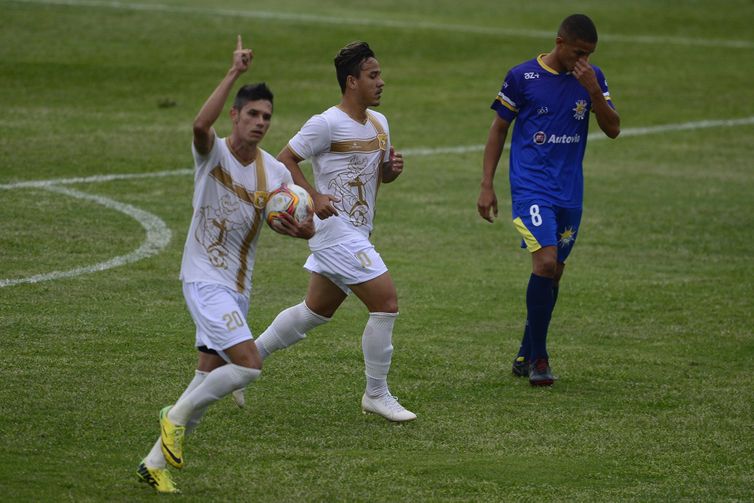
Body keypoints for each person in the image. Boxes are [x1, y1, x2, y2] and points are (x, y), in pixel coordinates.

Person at [136, 35, 314, 494]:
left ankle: (153, 464)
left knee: (206, 378)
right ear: (235, 115)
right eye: (252, 114)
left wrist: (304, 230)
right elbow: (199, 124)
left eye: (267, 117)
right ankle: (170, 417)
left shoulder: (273, 172)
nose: (259, 123)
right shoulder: (212, 153)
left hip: (237, 287)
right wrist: (233, 72)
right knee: (250, 365)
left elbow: (302, 215)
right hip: (203, 281)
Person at [236, 41, 416, 422]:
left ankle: (241, 364)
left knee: (314, 311)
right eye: (373, 76)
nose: (381, 82)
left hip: (359, 232)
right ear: (352, 82)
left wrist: (391, 171)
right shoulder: (327, 123)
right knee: (386, 304)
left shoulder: (380, 124)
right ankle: (376, 393)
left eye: (380, 74)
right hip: (333, 230)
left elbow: (378, 174)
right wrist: (313, 194)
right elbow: (285, 158)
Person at [477, 14, 620, 386]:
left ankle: (526, 352)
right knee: (544, 263)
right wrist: (486, 184)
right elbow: (498, 130)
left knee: (555, 271)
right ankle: (540, 359)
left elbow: (613, 128)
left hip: (570, 191)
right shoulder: (522, 77)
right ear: (559, 43)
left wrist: (592, 89)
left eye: (589, 55)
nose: (583, 61)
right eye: (578, 53)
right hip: (531, 187)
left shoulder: (592, 79)